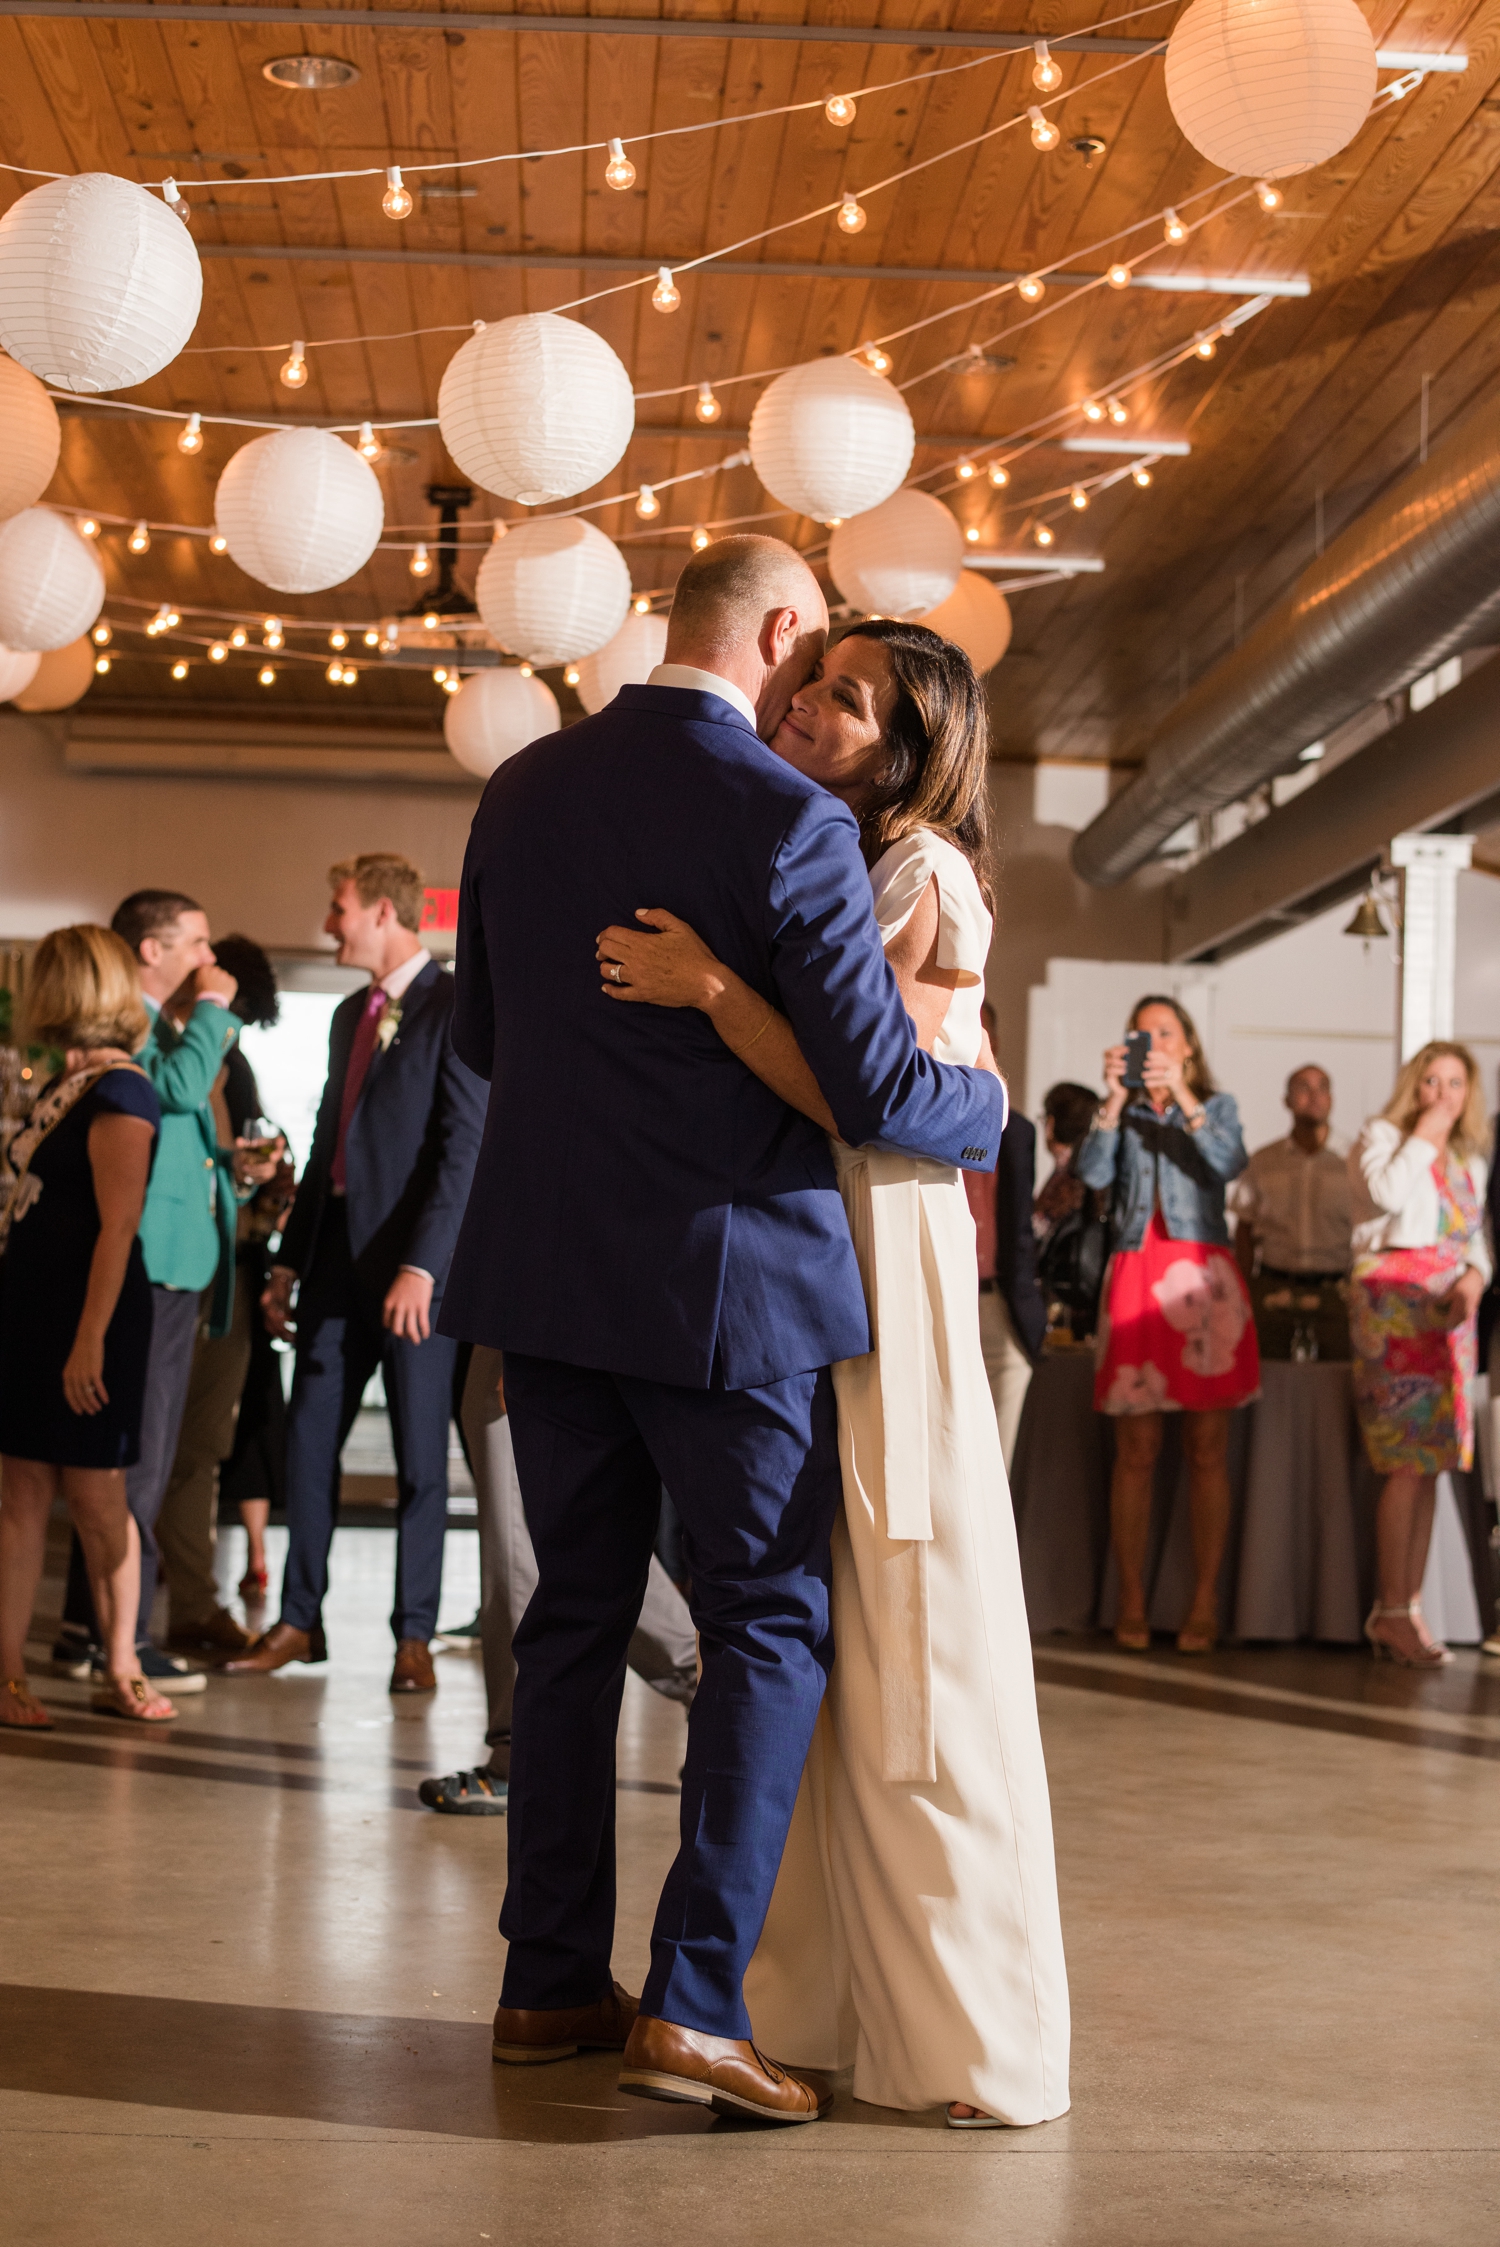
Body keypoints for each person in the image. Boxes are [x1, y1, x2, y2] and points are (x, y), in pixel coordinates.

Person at [442, 538, 1004, 2125]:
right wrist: (1001, 1105)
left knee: (568, 1629)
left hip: (545, 1276)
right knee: (764, 1621)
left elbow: (483, 1032)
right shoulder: (791, 821)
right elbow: (889, 1092)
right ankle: (693, 2003)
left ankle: (547, 1980)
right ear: (773, 631)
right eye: (808, 655)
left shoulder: (523, 790)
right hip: (727, 1291)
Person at [597, 616, 1070, 2130]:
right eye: (809, 679)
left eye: (848, 698)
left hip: (879, 1241)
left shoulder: (916, 870)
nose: (808, 703)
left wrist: (710, 988)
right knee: (826, 1618)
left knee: (899, 1614)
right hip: (828, 1230)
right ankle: (800, 1990)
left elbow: (869, 1094)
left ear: (916, 741)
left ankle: (951, 2019)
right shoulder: (828, 841)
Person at [227, 855, 486, 1692]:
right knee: (308, 1443)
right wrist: (288, 1263)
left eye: (338, 910)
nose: (329, 924)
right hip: (334, 1261)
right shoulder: (349, 1015)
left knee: (419, 1461)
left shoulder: (457, 1006)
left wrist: (423, 1265)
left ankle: (413, 1637)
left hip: (414, 1272)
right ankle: (300, 1621)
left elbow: (463, 1147)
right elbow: (324, 1146)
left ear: (383, 912)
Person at [53, 889, 265, 1695]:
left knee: (135, 1455)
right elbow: (173, 1090)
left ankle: (91, 1630)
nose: (210, 960)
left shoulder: (155, 1021)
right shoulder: (132, 1025)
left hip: (177, 1258)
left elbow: (181, 1127)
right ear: (151, 948)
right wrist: (215, 1006)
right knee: (135, 1457)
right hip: (153, 1262)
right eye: (198, 943)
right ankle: (124, 1641)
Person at [0, 927, 176, 1725]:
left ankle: (122, 1662)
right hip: (32, 1310)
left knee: (99, 1497)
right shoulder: (65, 1085)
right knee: (21, 1493)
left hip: (87, 1318)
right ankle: (7, 1674)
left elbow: (120, 1223)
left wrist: (88, 1339)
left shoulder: (122, 1091)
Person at [417, 1348, 698, 1814]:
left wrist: (510, 1330)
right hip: (567, 1310)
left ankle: (520, 1754)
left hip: (526, 1307)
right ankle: (699, 1676)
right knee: (578, 1527)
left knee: (520, 1526)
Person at [1074, 997, 1257, 1654]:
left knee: (1207, 1450)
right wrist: (1113, 1102)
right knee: (1137, 1451)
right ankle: (1130, 1596)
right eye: (1143, 1033)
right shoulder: (1119, 1112)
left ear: (1187, 1045)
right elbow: (1089, 1174)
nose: (1153, 1043)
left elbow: (1229, 1163)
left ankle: (1203, 1598)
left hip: (1201, 1276)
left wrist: (1180, 1094)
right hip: (1135, 1271)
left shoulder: (1217, 1104)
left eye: (1166, 1033)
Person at [155, 936, 292, 1653]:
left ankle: (185, 1603)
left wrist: (252, 1174)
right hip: (192, 1272)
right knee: (171, 1446)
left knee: (197, 1446)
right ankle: (136, 1617)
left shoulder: (224, 1059)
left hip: (225, 1268)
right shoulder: (180, 1050)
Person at [1347, 1043, 1491, 1668]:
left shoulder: (1471, 1157)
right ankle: (1390, 1607)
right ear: (1415, 1086)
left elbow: (1476, 1237)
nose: (1444, 1093)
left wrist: (1476, 1279)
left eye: (1456, 1083)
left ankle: (1405, 1606)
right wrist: (1425, 1132)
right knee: (1403, 1461)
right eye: (1432, 1081)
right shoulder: (1382, 1135)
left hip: (1448, 1314)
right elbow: (1383, 1192)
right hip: (1393, 1308)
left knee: (1431, 1464)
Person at [964, 1001, 1047, 1470]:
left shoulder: (1017, 1132)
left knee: (999, 1461)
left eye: (983, 1030)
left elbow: (1019, 1231)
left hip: (1001, 1307)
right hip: (938, 1297)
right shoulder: (909, 1121)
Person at [1230, 1065, 1353, 1360]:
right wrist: (1243, 1289)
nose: (1314, 1096)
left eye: (1322, 1087)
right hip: (1274, 1289)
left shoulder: (1353, 1160)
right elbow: (1244, 1228)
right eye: (1303, 1087)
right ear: (1286, 1100)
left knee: (1335, 1381)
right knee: (1269, 1376)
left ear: (1332, 1099)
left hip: (1337, 1293)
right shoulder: (1263, 1161)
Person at [1034, 1081, 1108, 1342]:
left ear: (1051, 1123)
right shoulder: (1099, 1171)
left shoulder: (1065, 1178)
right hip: (1093, 1300)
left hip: (1063, 1305)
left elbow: (1038, 1232)